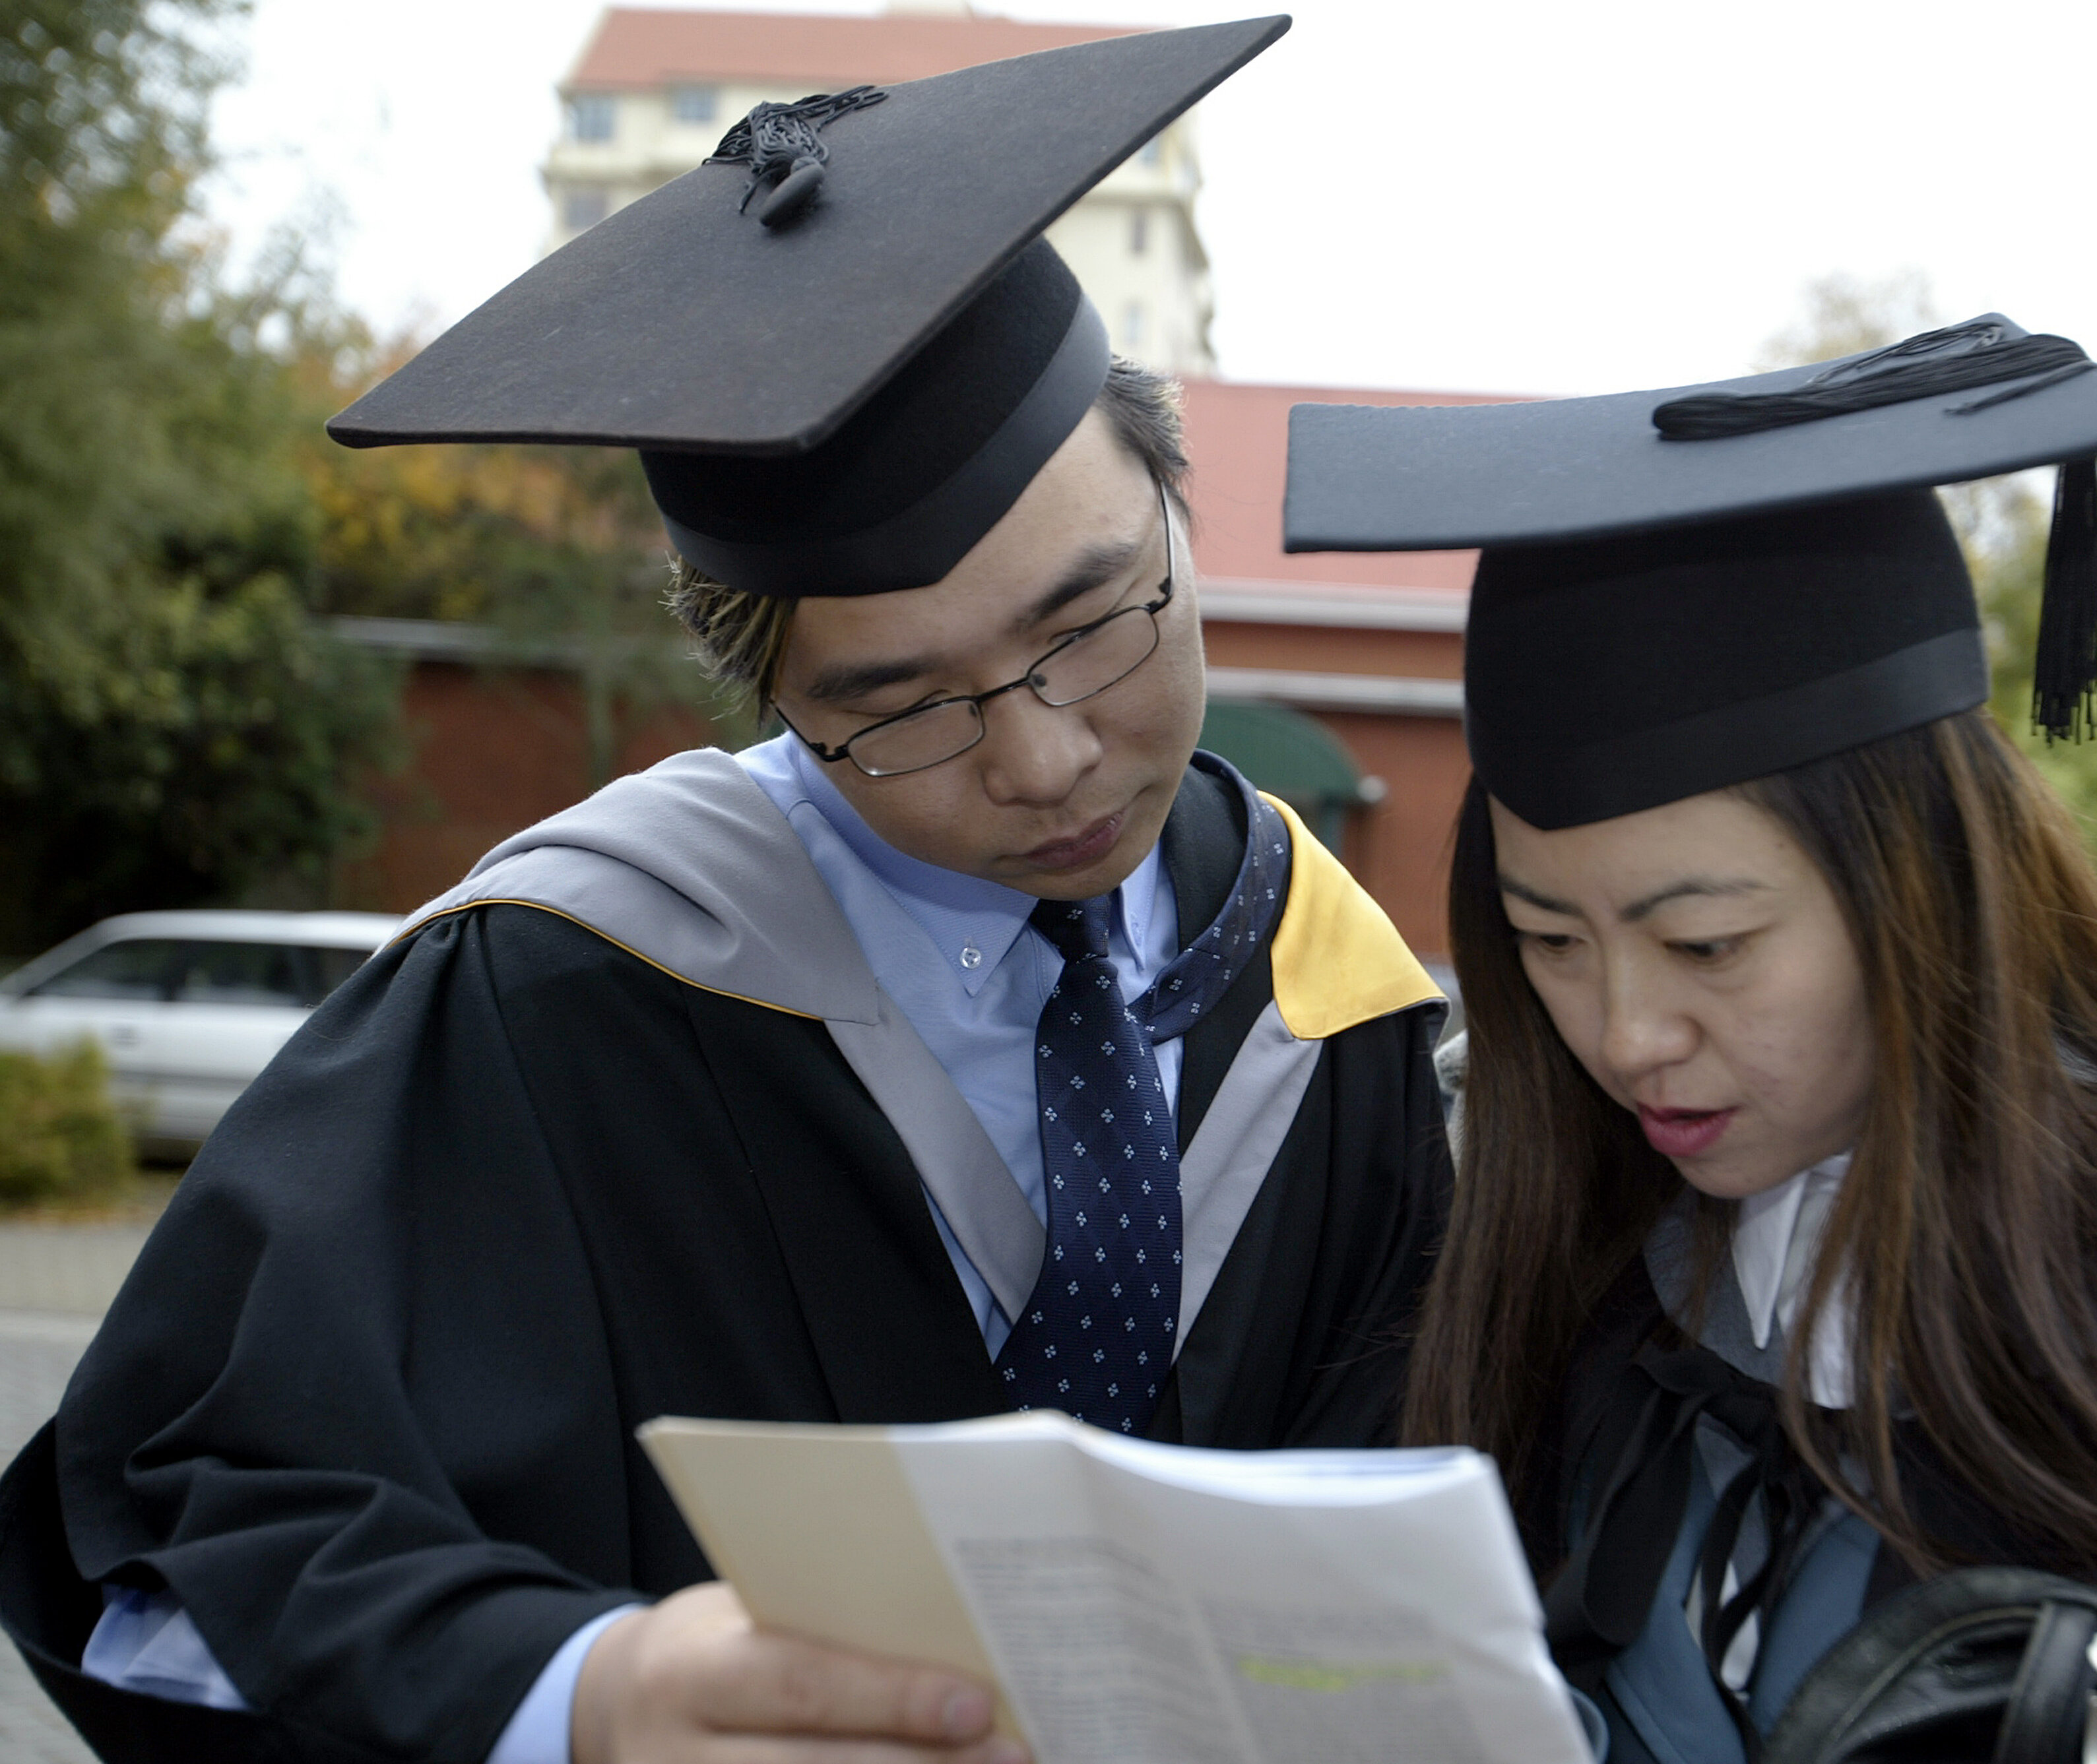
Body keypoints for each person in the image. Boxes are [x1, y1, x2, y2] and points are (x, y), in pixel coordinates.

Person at [0, 19, 1454, 1764]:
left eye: (1098, 620)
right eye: (902, 705)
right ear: (770, 693)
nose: (1050, 760)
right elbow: (182, 1529)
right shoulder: (556, 997)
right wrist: (576, 1699)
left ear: (1174, 504)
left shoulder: (1335, 1003)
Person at [1282, 318, 2097, 1763]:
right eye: (1549, 942)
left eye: (1706, 945)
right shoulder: (1567, 1274)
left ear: (1918, 886)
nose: (1624, 1032)